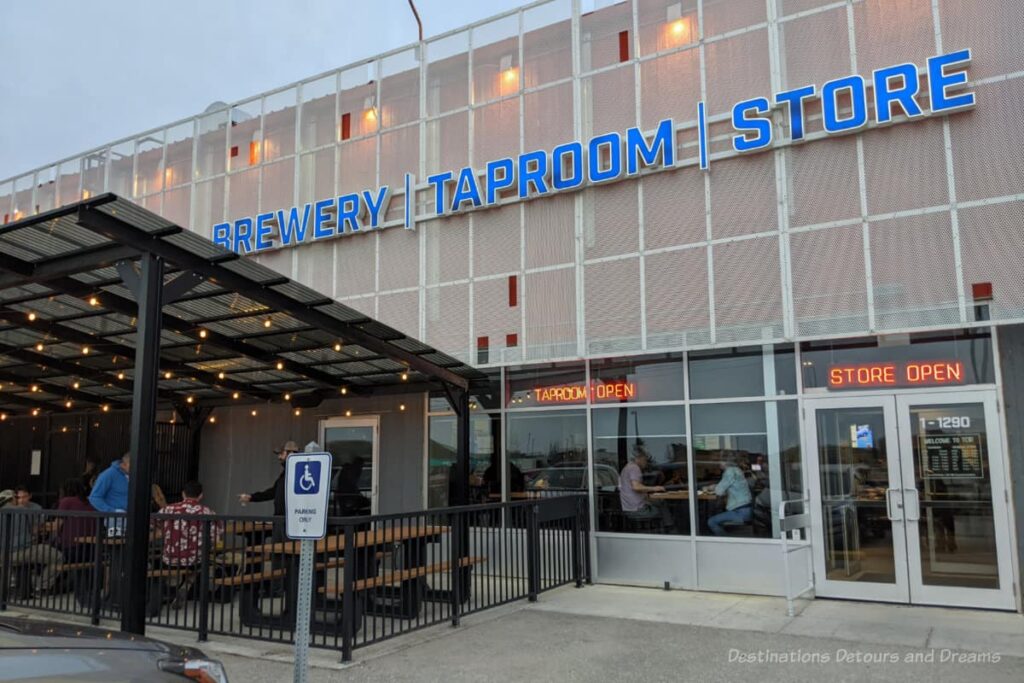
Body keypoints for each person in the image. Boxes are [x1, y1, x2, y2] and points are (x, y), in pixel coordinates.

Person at [156, 480, 222, 609]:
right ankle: (186, 585)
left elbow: (154, 522)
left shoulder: (169, 509)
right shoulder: (206, 512)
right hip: (193, 557)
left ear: (183, 494)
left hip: (170, 557)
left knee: (167, 561)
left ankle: (173, 584)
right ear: (201, 495)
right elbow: (216, 534)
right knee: (202, 561)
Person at [6, 486, 63, 596]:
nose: (21, 500)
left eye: (24, 497)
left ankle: (12, 584)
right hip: (24, 548)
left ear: (30, 496)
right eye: (19, 497)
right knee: (58, 557)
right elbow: (36, 529)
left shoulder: (35, 508)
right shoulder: (25, 510)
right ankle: (42, 587)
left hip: (15, 548)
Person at [618, 446, 674, 531]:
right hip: (637, 509)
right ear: (640, 458)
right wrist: (654, 488)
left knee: (659, 502)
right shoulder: (634, 468)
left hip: (628, 508)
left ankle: (667, 527)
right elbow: (636, 487)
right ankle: (669, 529)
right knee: (662, 509)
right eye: (645, 460)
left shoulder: (627, 467)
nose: (646, 463)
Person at [237, 440, 298, 516]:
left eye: (282, 454)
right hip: (280, 520)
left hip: (290, 521)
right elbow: (272, 492)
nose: (279, 457)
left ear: (291, 453)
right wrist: (251, 497)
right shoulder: (285, 474)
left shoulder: (297, 473)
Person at [704, 454, 754, 536]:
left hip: (740, 512)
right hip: (745, 509)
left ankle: (726, 541)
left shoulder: (730, 471)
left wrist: (710, 487)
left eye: (720, 461)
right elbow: (726, 489)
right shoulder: (737, 470)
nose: (719, 463)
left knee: (711, 521)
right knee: (718, 514)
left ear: (726, 462)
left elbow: (719, 491)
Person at [54, 478, 97, 564]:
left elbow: (57, 525)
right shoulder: (91, 502)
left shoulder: (66, 501)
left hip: (70, 547)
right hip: (91, 547)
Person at [89, 452, 130, 536]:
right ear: (123, 464)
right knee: (117, 545)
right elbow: (94, 497)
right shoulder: (108, 475)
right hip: (115, 521)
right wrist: (112, 511)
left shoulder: (134, 476)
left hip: (132, 519)